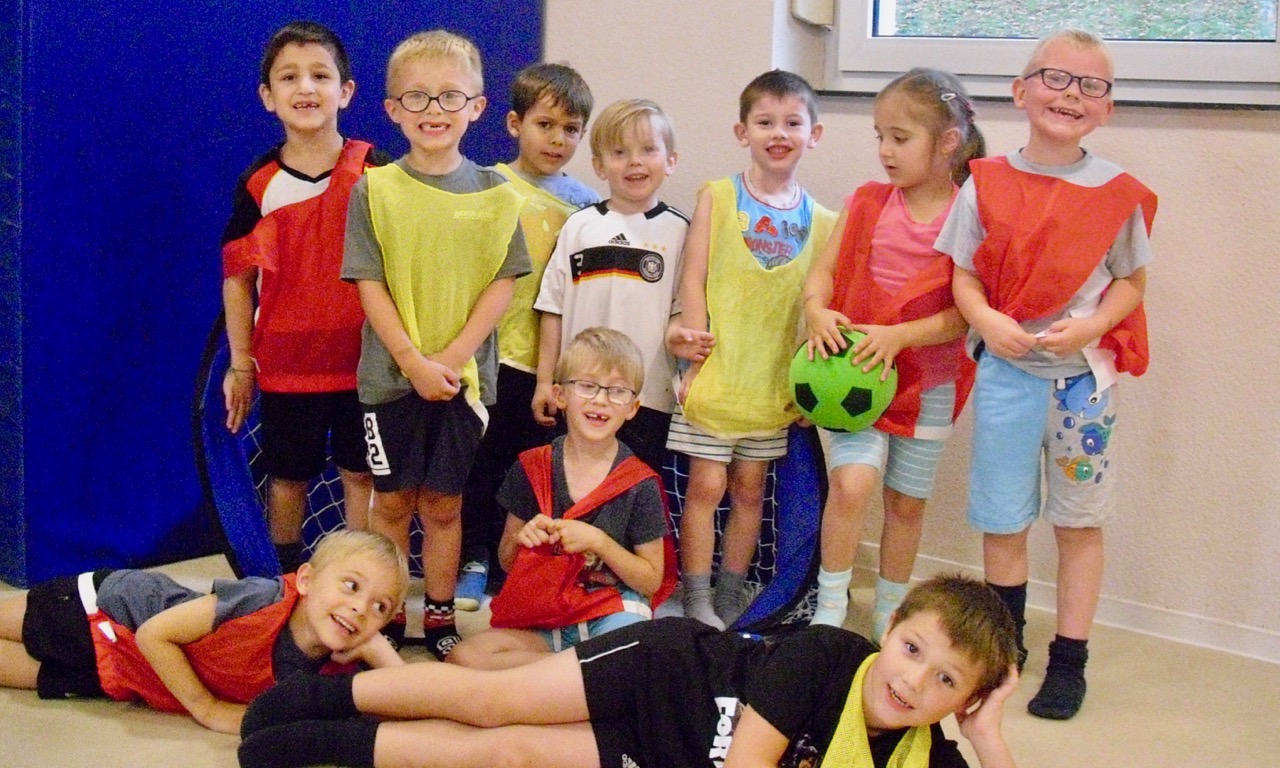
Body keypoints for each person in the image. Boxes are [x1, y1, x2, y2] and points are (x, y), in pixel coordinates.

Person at [935, 29, 1157, 720]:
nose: (1072, 95)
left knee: (1078, 522)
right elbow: (963, 278)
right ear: (1021, 91)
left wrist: (1091, 327)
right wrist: (988, 322)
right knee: (1003, 518)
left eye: (1092, 86)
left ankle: (1070, 657)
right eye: (1057, 78)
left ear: (1108, 108)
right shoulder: (985, 183)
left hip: (1081, 384)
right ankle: (1005, 650)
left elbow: (1131, 284)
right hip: (1006, 375)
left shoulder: (1118, 194)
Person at [237, 575, 1021, 768]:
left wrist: (987, 736)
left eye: (948, 683)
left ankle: (317, 742)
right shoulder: (829, 656)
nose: (915, 684)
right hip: (664, 672)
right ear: (890, 630)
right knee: (491, 700)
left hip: (669, 752)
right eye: (915, 651)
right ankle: (318, 696)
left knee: (505, 752)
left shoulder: (920, 749)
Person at [341, 30, 530, 660]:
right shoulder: (375, 189)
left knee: (444, 506)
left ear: (477, 107)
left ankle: (440, 615)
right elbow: (369, 282)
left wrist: (447, 363)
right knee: (391, 503)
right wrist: (412, 361)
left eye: (450, 97)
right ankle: (387, 609)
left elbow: (501, 286)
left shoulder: (497, 196)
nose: (433, 111)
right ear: (392, 108)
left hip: (461, 384)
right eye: (416, 97)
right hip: (391, 379)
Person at [802, 69, 984, 638]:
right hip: (853, 376)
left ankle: (889, 609)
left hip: (928, 383)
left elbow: (965, 311)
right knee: (852, 485)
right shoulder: (866, 201)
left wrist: (901, 337)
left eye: (899, 138)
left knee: (906, 502)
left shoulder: (970, 213)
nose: (884, 150)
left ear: (947, 141)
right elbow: (824, 273)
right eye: (879, 135)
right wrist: (816, 310)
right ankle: (832, 603)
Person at [667, 70, 837, 629]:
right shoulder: (717, 197)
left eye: (792, 122)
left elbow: (815, 310)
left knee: (749, 491)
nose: (778, 133)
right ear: (743, 131)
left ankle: (731, 591)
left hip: (770, 388)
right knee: (706, 487)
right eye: (765, 122)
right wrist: (691, 357)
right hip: (715, 378)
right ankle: (695, 593)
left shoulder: (826, 223)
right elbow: (692, 279)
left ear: (814, 133)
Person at [221, 21, 390, 574]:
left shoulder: (377, 171)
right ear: (268, 97)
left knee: (360, 475)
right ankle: (284, 587)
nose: (306, 88)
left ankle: (360, 580)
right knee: (287, 479)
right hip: (288, 369)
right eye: (289, 77)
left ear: (345, 91)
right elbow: (237, 278)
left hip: (365, 367)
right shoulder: (259, 183)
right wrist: (242, 362)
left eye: (320, 75)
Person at [0, 530, 408, 735]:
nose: (361, 608)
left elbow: (406, 700)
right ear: (305, 580)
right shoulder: (261, 598)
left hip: (126, 677)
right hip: (108, 612)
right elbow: (155, 634)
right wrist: (205, 708)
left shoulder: (337, 670)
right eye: (352, 586)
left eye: (380, 608)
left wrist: (376, 648)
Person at [456, 62, 601, 613]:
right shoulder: (488, 186)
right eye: (546, 124)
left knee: (534, 470)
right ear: (515, 123)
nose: (557, 139)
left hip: (550, 366)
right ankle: (473, 557)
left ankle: (521, 562)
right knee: (481, 464)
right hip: (491, 359)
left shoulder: (587, 205)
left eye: (571, 129)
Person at [449, 328, 676, 669]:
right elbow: (509, 562)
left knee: (631, 663)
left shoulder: (639, 482)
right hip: (547, 612)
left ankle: (564, 680)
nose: (601, 400)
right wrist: (525, 540)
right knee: (464, 657)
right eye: (587, 386)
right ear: (560, 395)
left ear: (633, 407)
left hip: (611, 611)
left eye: (617, 392)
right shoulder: (533, 466)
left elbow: (650, 580)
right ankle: (570, 678)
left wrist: (600, 542)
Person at [532, 98, 691, 476]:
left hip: (646, 398)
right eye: (620, 152)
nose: (635, 161)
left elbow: (684, 316)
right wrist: (544, 382)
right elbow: (552, 310)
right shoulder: (579, 226)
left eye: (648, 150)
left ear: (670, 160)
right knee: (572, 486)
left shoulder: (682, 231)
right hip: (579, 393)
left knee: (632, 495)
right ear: (600, 166)